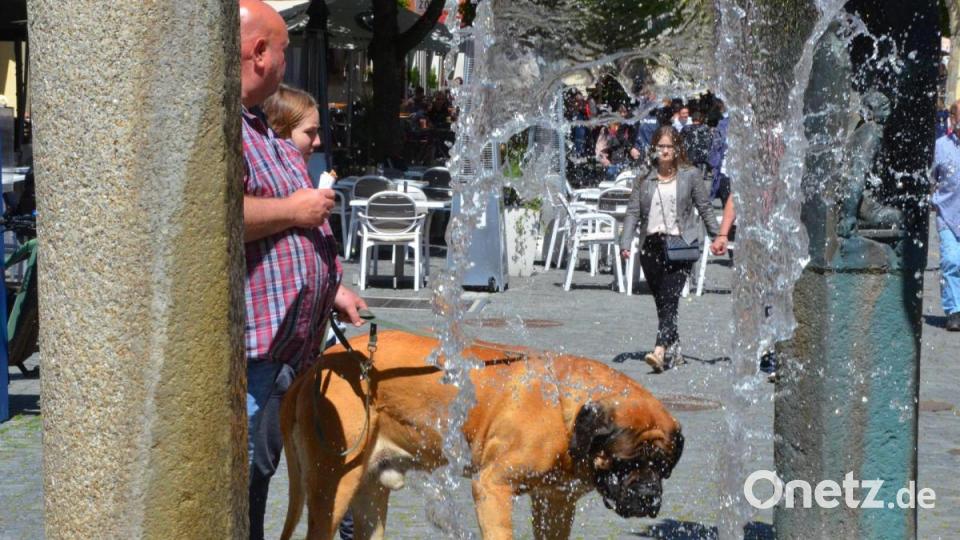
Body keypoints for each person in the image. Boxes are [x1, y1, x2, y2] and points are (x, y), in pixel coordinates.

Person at [239, 2, 368, 538]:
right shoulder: (226, 127)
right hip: (258, 350)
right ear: (260, 52)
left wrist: (329, 285)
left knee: (264, 472)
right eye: (285, 51)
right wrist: (297, 209)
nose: (288, 65)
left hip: (292, 347)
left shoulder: (256, 126)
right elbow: (217, 215)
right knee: (245, 476)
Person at [619, 126, 722, 372]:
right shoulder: (644, 177)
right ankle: (674, 349)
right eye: (661, 146)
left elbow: (705, 207)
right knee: (663, 302)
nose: (665, 151)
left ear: (677, 150)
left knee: (670, 296)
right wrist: (625, 242)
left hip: (680, 244)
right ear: (654, 149)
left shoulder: (690, 175)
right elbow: (633, 212)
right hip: (651, 246)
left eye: (669, 147)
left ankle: (659, 351)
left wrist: (717, 236)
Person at [932, 99, 960, 331]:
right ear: (953, 119)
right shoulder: (940, 146)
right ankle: (954, 311)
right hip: (948, 215)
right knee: (951, 261)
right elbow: (931, 177)